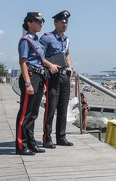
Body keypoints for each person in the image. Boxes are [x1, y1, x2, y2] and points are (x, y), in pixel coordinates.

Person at [15, 12, 57, 156]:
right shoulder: (25, 40)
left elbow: (41, 60)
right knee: (25, 114)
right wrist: (27, 83)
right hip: (31, 77)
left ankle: (31, 143)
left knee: (33, 114)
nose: (40, 25)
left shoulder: (36, 41)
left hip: (39, 77)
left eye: (41, 22)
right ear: (29, 23)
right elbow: (23, 62)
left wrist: (50, 65)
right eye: (37, 22)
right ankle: (21, 145)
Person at [40, 10, 74, 147]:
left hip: (65, 76)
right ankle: (47, 138)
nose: (65, 25)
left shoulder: (66, 40)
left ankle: (61, 137)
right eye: (62, 22)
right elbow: (38, 55)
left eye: (66, 22)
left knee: (63, 108)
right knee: (51, 108)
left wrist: (70, 67)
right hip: (52, 76)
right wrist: (50, 65)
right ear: (55, 23)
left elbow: (67, 54)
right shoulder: (47, 38)